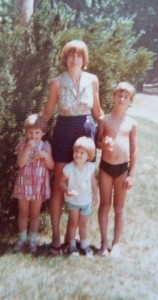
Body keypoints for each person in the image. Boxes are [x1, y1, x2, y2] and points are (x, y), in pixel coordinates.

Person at [41, 39, 104, 255]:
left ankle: (74, 237)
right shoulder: (56, 82)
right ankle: (57, 238)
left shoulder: (92, 80)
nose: (75, 58)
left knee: (83, 180)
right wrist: (32, 130)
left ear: (84, 59)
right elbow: (47, 113)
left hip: (86, 132)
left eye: (79, 55)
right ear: (65, 58)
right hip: (64, 131)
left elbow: (97, 112)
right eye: (71, 54)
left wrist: (111, 130)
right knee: (62, 182)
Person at [96, 82, 137, 257]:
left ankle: (116, 243)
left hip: (122, 170)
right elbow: (97, 143)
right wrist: (102, 144)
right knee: (104, 205)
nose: (121, 99)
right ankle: (104, 243)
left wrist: (132, 175)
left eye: (126, 97)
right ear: (113, 97)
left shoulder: (132, 124)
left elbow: (134, 151)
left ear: (130, 101)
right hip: (106, 168)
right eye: (119, 95)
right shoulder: (104, 120)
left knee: (119, 207)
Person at [12, 114, 54, 253]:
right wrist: (28, 148)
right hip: (24, 184)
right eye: (30, 132)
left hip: (38, 184)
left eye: (37, 132)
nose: (34, 136)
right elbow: (20, 163)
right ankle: (22, 239)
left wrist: (45, 156)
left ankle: (32, 241)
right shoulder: (23, 144)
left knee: (35, 214)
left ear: (43, 133)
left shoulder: (46, 146)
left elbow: (51, 166)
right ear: (26, 132)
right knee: (23, 212)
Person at [60, 136, 98, 257]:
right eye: (76, 152)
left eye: (82, 153)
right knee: (72, 223)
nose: (78, 155)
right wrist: (67, 191)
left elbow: (93, 182)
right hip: (73, 201)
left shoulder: (90, 168)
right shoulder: (69, 168)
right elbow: (61, 182)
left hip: (86, 201)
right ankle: (71, 246)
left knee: (83, 224)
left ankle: (84, 245)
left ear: (89, 155)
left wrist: (96, 194)